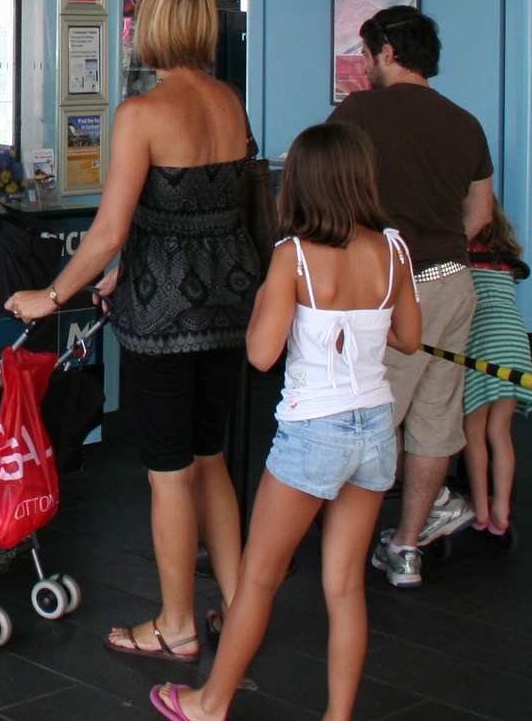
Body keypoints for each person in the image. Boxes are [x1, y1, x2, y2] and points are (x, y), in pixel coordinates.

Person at [3, 0, 260, 663]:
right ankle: (239, 612)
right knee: (212, 461)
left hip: (163, 317)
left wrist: (50, 295)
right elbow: (205, 212)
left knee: (168, 472)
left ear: (149, 28)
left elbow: (110, 228)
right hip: (229, 305)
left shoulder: (141, 112)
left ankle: (177, 622)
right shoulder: (229, 103)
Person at [149, 122, 421, 721]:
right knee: (345, 586)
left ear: (300, 184)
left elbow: (262, 354)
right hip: (375, 427)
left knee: (258, 578)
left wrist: (271, 315)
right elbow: (409, 336)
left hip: (313, 431)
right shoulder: (394, 249)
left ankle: (210, 702)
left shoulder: (293, 256)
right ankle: (338, 716)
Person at [328, 5, 493, 589]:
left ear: (388, 53)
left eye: (367, 53)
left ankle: (343, 557)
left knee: (371, 422)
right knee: (435, 421)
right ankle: (405, 548)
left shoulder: (361, 111)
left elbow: (327, 192)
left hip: (390, 292)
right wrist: (435, 245)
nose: (365, 65)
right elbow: (480, 212)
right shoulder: (465, 122)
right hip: (452, 283)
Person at [460, 198, 532, 536]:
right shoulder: (505, 255)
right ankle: (502, 508)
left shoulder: (461, 252)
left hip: (482, 341)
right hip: (515, 341)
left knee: (473, 432)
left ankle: (479, 507)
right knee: (500, 433)